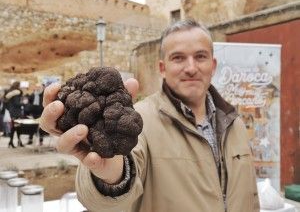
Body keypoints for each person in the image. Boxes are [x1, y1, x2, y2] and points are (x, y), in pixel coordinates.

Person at [40, 20, 259, 212]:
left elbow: (250, 196)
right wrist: (111, 176)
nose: (191, 68)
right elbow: (104, 199)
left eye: (200, 57)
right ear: (162, 68)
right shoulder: (138, 118)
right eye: (178, 58)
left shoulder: (235, 123)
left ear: (213, 65)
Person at [4, 81, 24, 148]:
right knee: (16, 127)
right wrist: (24, 103)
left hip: (12, 113)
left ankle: (14, 142)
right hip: (16, 113)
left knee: (16, 127)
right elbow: (16, 103)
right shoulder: (16, 93)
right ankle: (13, 142)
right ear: (18, 86)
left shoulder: (11, 93)